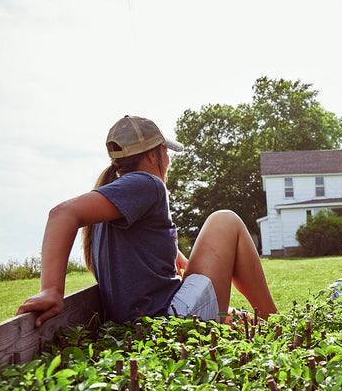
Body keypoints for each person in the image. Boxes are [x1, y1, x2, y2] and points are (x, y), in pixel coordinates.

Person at [17, 115, 277, 327]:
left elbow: (141, 246)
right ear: (154, 155)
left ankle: (264, 322)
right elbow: (61, 214)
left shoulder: (115, 193)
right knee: (225, 220)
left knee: (240, 319)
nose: (169, 159)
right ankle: (275, 322)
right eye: (166, 151)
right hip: (166, 321)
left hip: (147, 321)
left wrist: (177, 256)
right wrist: (51, 290)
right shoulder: (148, 184)